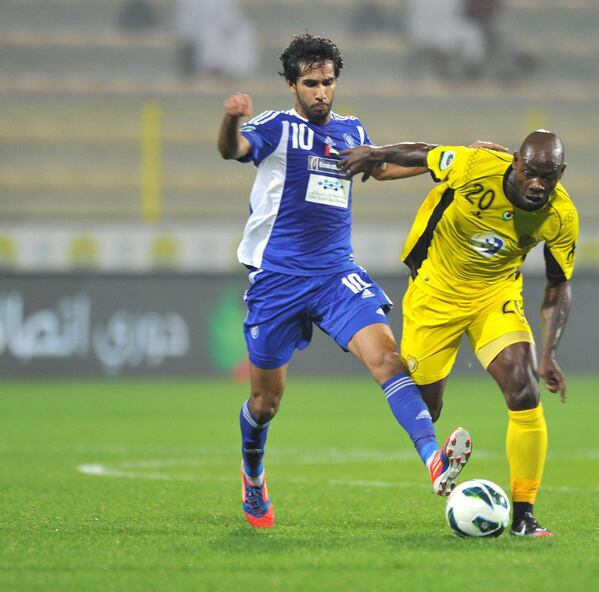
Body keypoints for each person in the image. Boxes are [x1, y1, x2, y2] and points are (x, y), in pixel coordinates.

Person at [217, 34, 472, 528]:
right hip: (279, 281)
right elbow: (234, 149)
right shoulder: (275, 126)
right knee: (265, 404)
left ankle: (433, 461)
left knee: (387, 360)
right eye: (310, 83)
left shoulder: (352, 130)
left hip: (337, 275)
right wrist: (231, 118)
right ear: (292, 85)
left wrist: (454, 164)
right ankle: (253, 476)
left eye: (327, 82)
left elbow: (382, 166)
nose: (320, 92)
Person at [339, 131, 578, 537]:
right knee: (427, 409)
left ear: (561, 173)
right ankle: (436, 456)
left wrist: (548, 352)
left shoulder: (561, 216)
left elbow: (558, 286)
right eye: (531, 173)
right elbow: (426, 154)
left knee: (524, 390)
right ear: (517, 163)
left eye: (548, 177)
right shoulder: (477, 165)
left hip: (495, 294)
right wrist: (375, 155)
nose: (538, 185)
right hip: (436, 293)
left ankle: (524, 515)